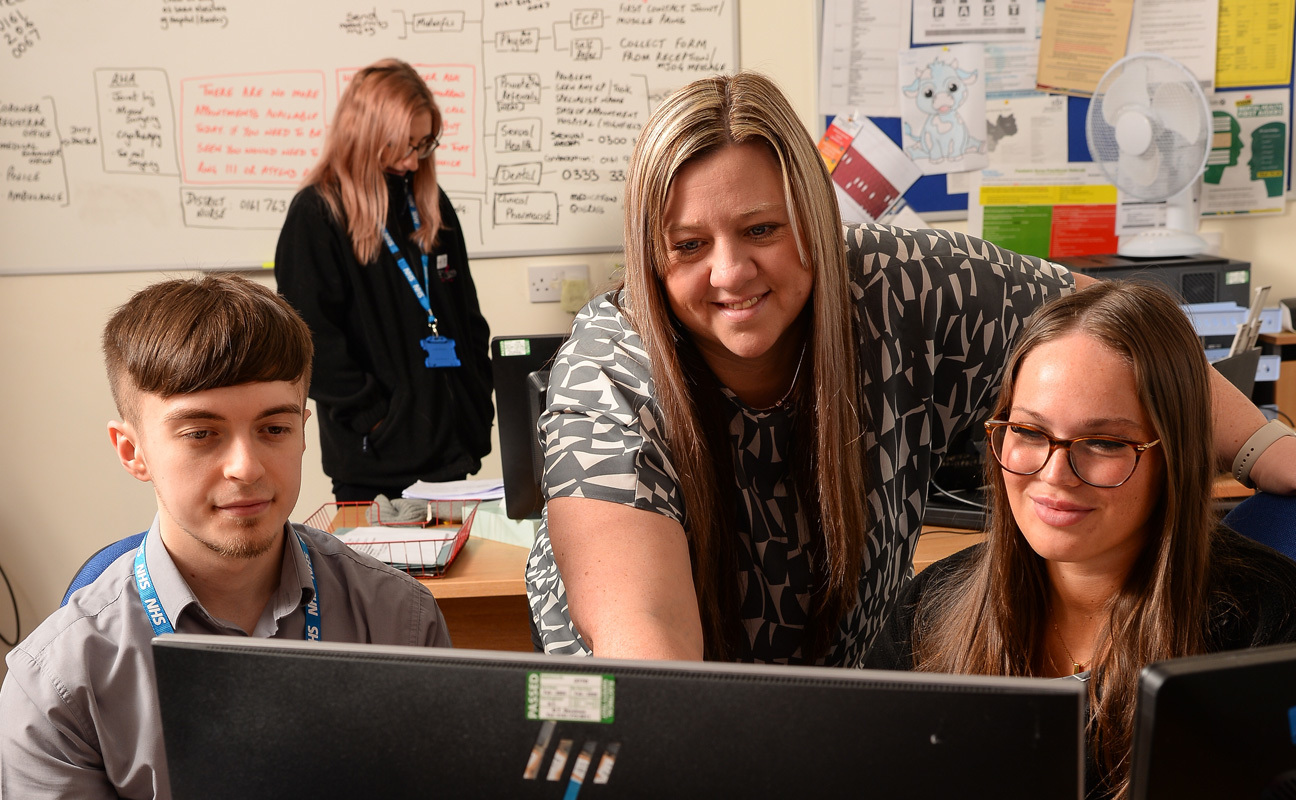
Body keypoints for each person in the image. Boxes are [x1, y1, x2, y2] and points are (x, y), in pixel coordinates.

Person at [524, 71, 1296, 666]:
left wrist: (1266, 449)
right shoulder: (611, 372)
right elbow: (651, 654)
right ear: (650, 254)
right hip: (663, 718)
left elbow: (1106, 324)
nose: (730, 273)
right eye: (688, 245)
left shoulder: (897, 282)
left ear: (816, 223)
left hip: (852, 682)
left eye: (760, 228)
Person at [0, 275, 452, 799]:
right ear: (132, 451)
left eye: (275, 429)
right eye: (201, 433)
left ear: (304, 431)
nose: (246, 467)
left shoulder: (399, 621)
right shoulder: (56, 686)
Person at [863, 282, 1296, 799]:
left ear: (1175, 456)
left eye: (1104, 442)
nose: (1055, 472)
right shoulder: (929, 610)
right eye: (1027, 431)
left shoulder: (1269, 626)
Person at [275, 58, 493, 502]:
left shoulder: (430, 203)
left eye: (423, 144)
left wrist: (475, 398)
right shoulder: (317, 215)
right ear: (365, 135)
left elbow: (468, 319)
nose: (412, 161)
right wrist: (378, 418)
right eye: (399, 145)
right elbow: (309, 341)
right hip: (375, 465)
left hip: (452, 453)